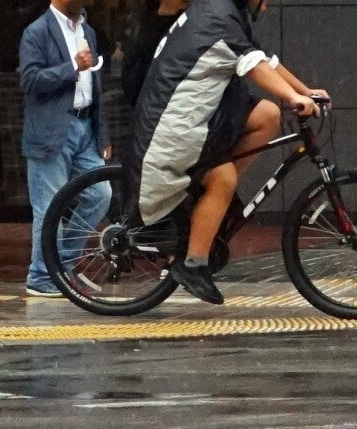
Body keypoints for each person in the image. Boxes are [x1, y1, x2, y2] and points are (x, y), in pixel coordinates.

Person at [126, 0, 324, 305]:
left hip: (194, 117)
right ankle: (192, 265)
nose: (266, 6)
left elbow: (264, 59)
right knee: (224, 179)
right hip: (175, 126)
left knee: (267, 115)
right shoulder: (219, 19)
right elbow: (253, 66)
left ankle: (209, 200)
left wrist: (305, 91)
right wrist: (292, 97)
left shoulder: (221, 10)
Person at [19, 0, 113, 298]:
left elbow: (96, 86)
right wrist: (72, 67)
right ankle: (41, 276)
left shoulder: (88, 30)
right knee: (49, 207)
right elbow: (30, 80)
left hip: (86, 127)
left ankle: (60, 265)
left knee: (101, 195)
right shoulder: (37, 31)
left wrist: (103, 133)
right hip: (51, 130)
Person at [121, 0, 189, 108]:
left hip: (174, 104)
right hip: (148, 102)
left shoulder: (191, 23)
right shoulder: (145, 24)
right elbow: (133, 69)